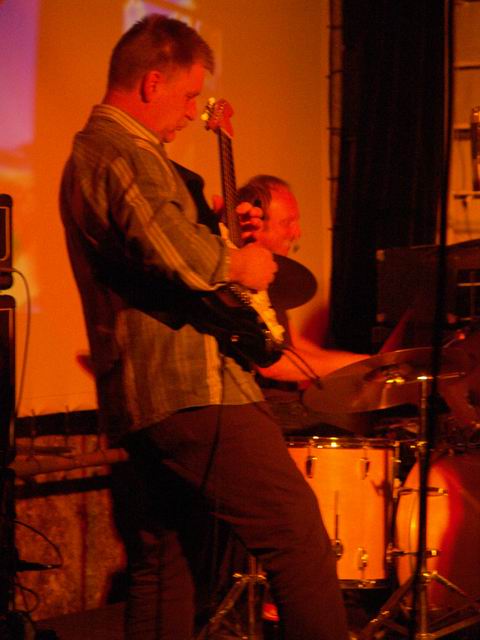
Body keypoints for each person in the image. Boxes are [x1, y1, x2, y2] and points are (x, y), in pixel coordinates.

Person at [59, 14, 350, 640]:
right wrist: (238, 261)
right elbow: (172, 251)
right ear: (152, 83)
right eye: (190, 95)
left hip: (146, 399)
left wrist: (213, 224)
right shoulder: (121, 150)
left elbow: (155, 251)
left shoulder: (102, 155)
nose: (193, 112)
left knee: (166, 569)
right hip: (193, 392)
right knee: (298, 536)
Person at [237, 174, 368, 435]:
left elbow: (293, 344)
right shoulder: (241, 281)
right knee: (351, 420)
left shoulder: (269, 280)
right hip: (257, 406)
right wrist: (365, 367)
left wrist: (365, 364)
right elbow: (273, 365)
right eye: (287, 223)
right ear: (254, 225)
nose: (297, 233)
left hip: (281, 403)